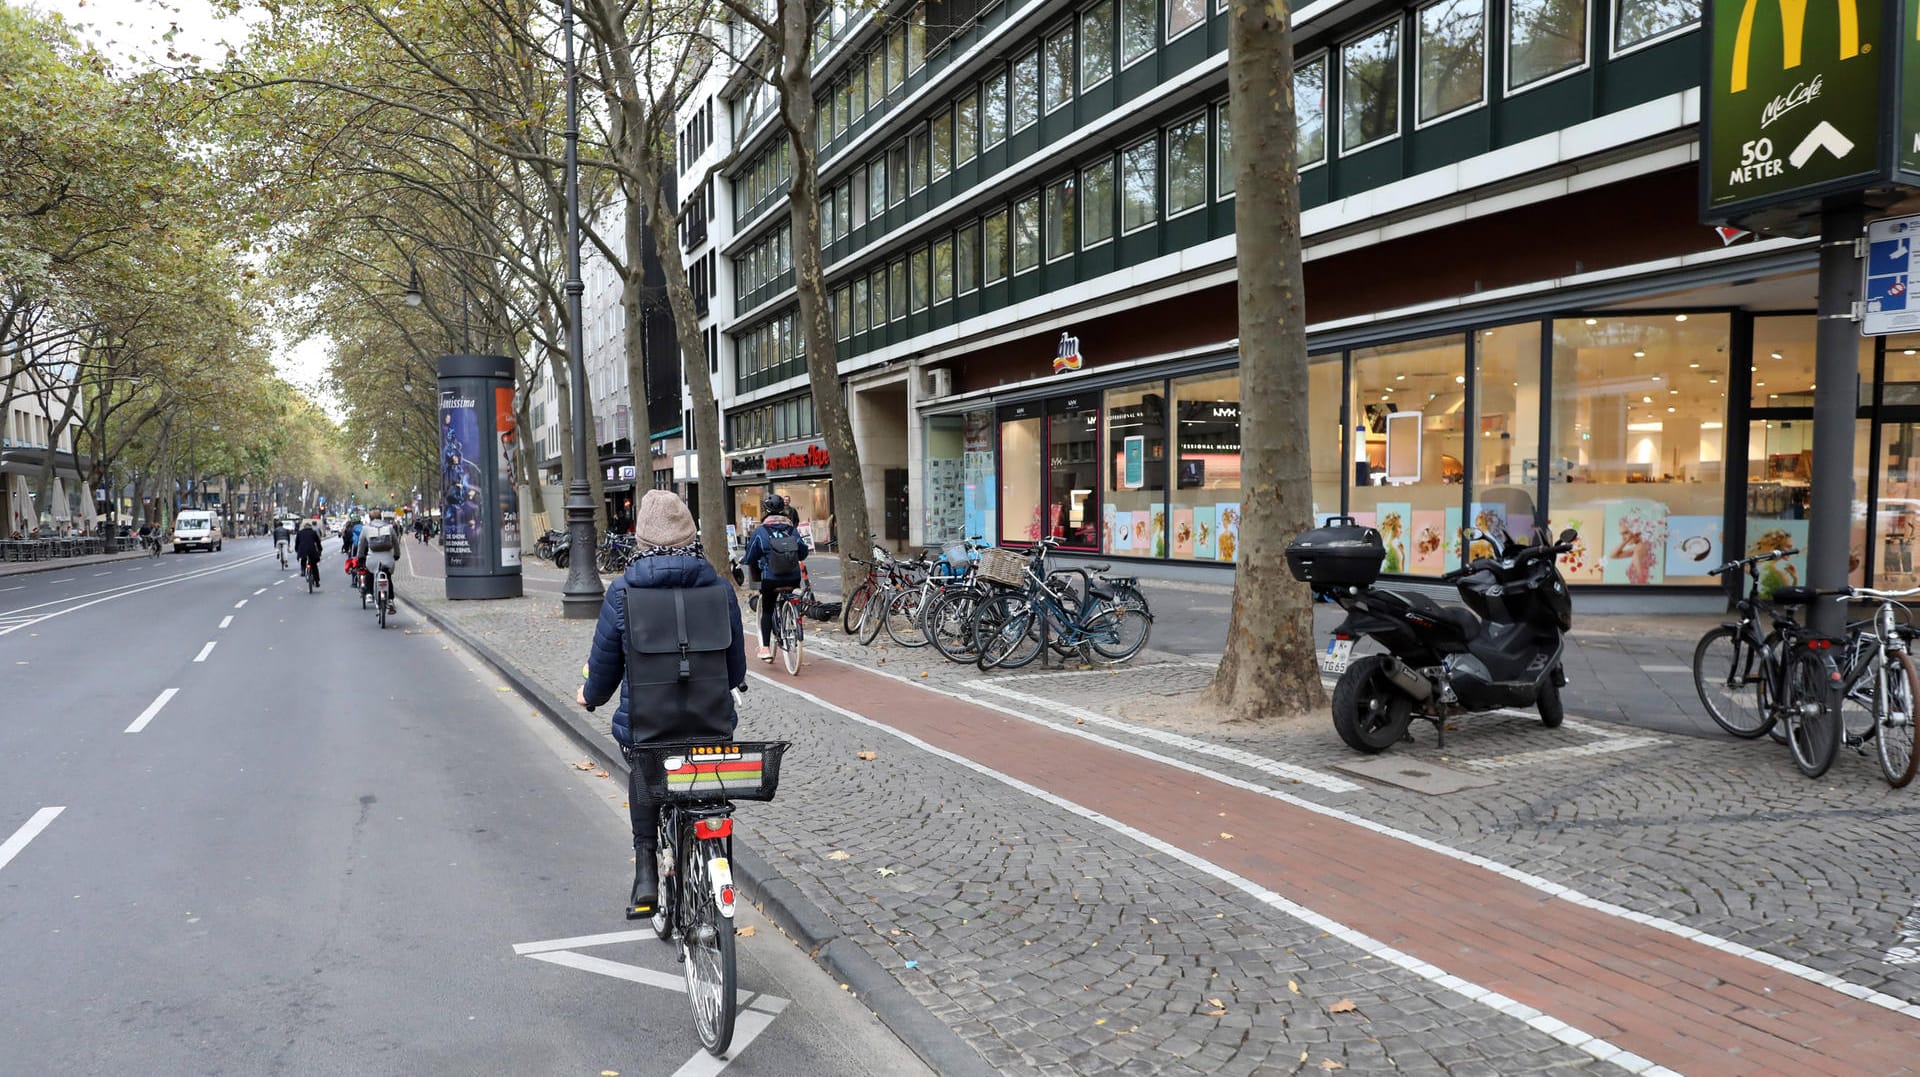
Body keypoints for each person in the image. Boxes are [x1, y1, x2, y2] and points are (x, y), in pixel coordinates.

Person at [578, 490, 746, 918]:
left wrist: (588, 696)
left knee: (644, 765)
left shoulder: (621, 594)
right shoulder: (721, 590)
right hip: (711, 726)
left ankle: (647, 868)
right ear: (693, 537)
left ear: (642, 541)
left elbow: (602, 676)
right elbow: (737, 672)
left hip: (649, 729)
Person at [740, 493, 809, 662]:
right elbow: (803, 552)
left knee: (768, 608)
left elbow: (750, 555)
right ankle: (790, 619)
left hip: (771, 579)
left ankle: (764, 648)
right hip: (793, 578)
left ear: (765, 511)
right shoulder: (792, 530)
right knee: (790, 597)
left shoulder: (761, 531)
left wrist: (746, 560)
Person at [355, 508, 402, 613]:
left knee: (369, 572)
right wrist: (397, 555)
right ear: (381, 517)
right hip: (388, 559)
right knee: (387, 576)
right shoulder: (389, 527)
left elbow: (361, 545)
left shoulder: (366, 529)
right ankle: (390, 600)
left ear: (370, 518)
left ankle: (369, 594)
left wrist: (360, 557)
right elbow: (396, 543)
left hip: (372, 559)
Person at [294, 518, 323, 587]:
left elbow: (297, 542)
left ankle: (303, 571)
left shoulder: (300, 533)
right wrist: (320, 549)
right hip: (311, 550)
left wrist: (297, 550)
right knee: (314, 565)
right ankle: (317, 581)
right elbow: (318, 542)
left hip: (302, 550)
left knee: (303, 560)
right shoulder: (313, 532)